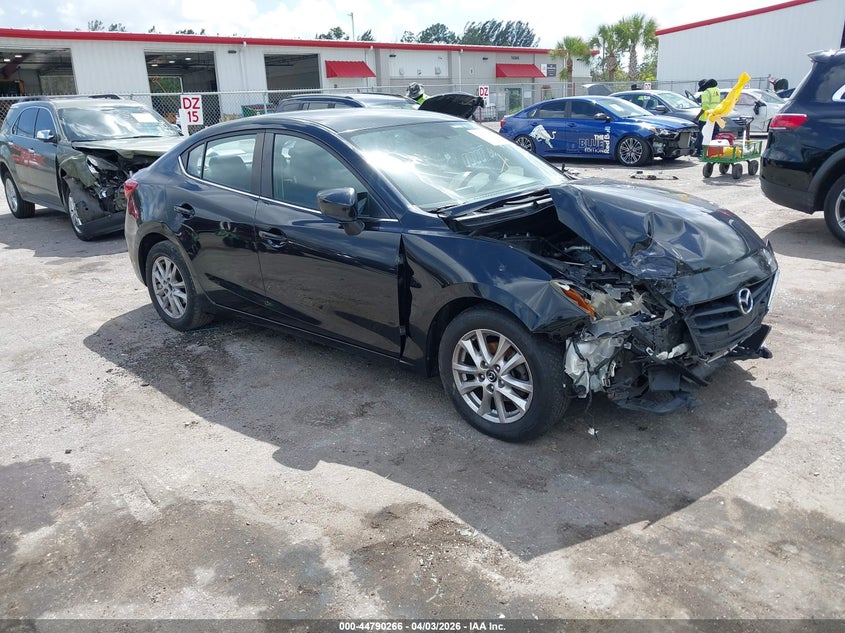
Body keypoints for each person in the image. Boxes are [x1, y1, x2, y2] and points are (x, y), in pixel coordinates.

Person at [695, 78, 721, 155]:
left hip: (705, 118)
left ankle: (700, 152)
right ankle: (712, 152)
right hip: (715, 117)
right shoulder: (717, 91)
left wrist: (697, 117)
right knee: (714, 135)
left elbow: (705, 107)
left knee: (702, 135)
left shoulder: (706, 93)